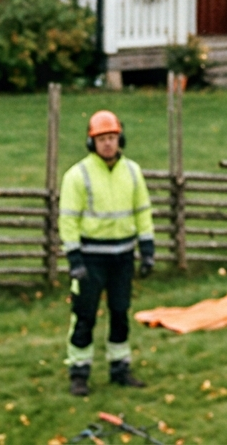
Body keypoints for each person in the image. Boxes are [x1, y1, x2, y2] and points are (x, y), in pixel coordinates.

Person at [58, 109, 155, 394]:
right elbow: (68, 218)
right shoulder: (78, 175)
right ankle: (79, 371)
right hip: (90, 258)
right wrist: (74, 258)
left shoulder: (133, 172)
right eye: (101, 139)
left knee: (120, 312)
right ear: (92, 143)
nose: (108, 144)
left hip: (123, 257)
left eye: (112, 138)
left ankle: (120, 367)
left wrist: (147, 250)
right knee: (84, 314)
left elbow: (143, 211)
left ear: (120, 139)